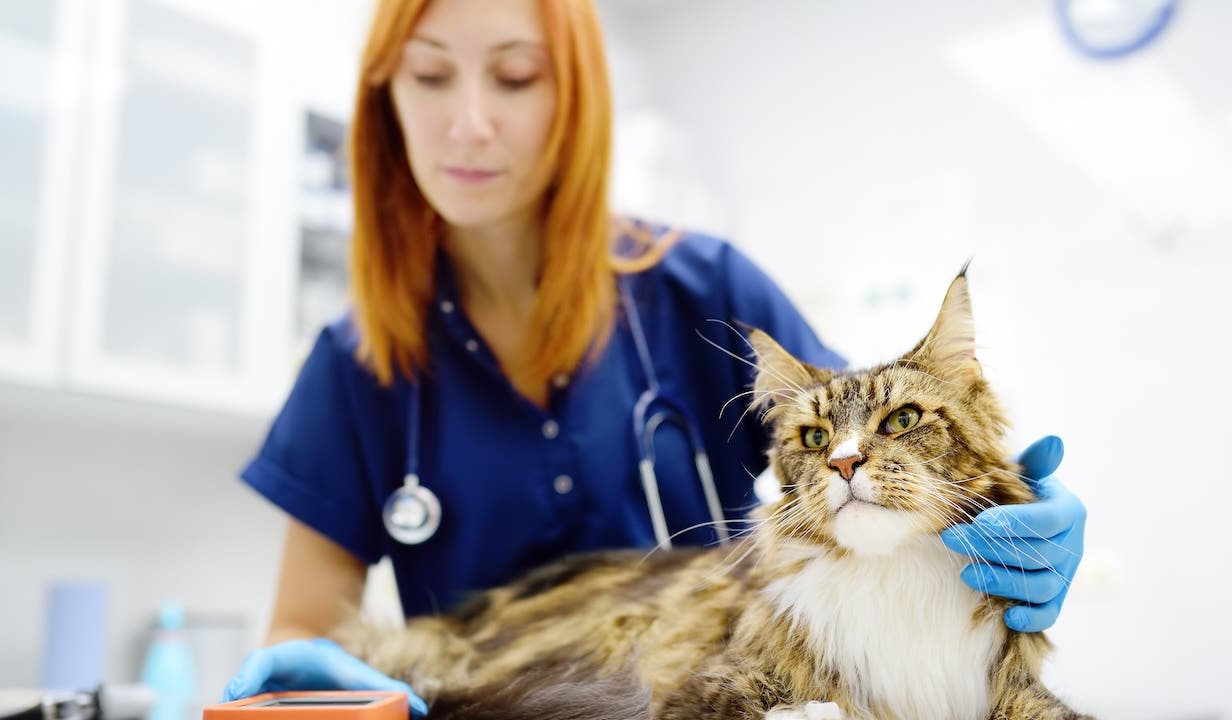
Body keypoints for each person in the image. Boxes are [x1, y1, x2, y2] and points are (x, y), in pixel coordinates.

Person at [221, 0, 1088, 715]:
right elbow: (300, 630)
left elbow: (854, 450)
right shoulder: (356, 363)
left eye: (516, 77)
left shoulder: (704, 289)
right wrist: (326, 679)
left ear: (575, 98)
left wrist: (992, 520)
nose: (469, 122)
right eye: (430, 74)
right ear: (386, 98)